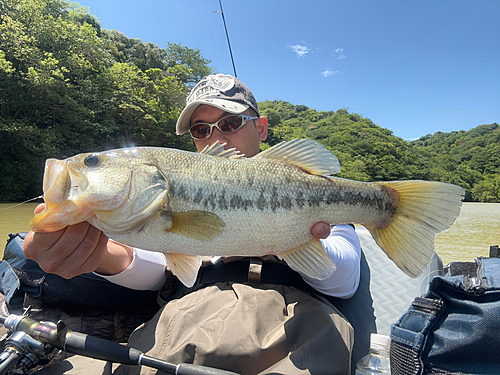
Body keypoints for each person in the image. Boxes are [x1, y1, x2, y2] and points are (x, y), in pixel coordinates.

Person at [23, 74, 361, 375]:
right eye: (201, 130)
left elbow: (344, 281)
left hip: (290, 330)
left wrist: (290, 238)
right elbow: (163, 267)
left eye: (230, 123)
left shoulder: (308, 187)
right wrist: (99, 257)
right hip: (180, 326)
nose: (216, 137)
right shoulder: (154, 206)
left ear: (260, 127)